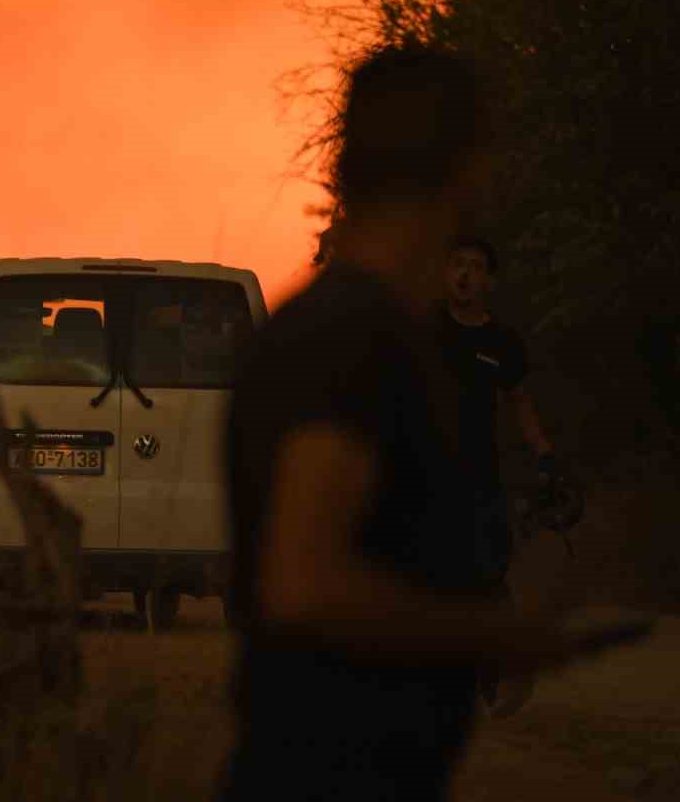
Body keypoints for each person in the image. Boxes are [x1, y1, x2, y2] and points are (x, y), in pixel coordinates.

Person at [221, 44, 650, 801]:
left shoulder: (336, 327)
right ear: (466, 169)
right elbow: (305, 582)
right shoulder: (353, 337)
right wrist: (502, 637)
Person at [437, 234, 559, 718]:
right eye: (457, 264)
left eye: (475, 266)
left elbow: (520, 402)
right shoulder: (424, 328)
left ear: (490, 280)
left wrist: (544, 454)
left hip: (481, 476)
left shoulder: (501, 342)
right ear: (445, 274)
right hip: (426, 475)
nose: (465, 274)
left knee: (488, 574)